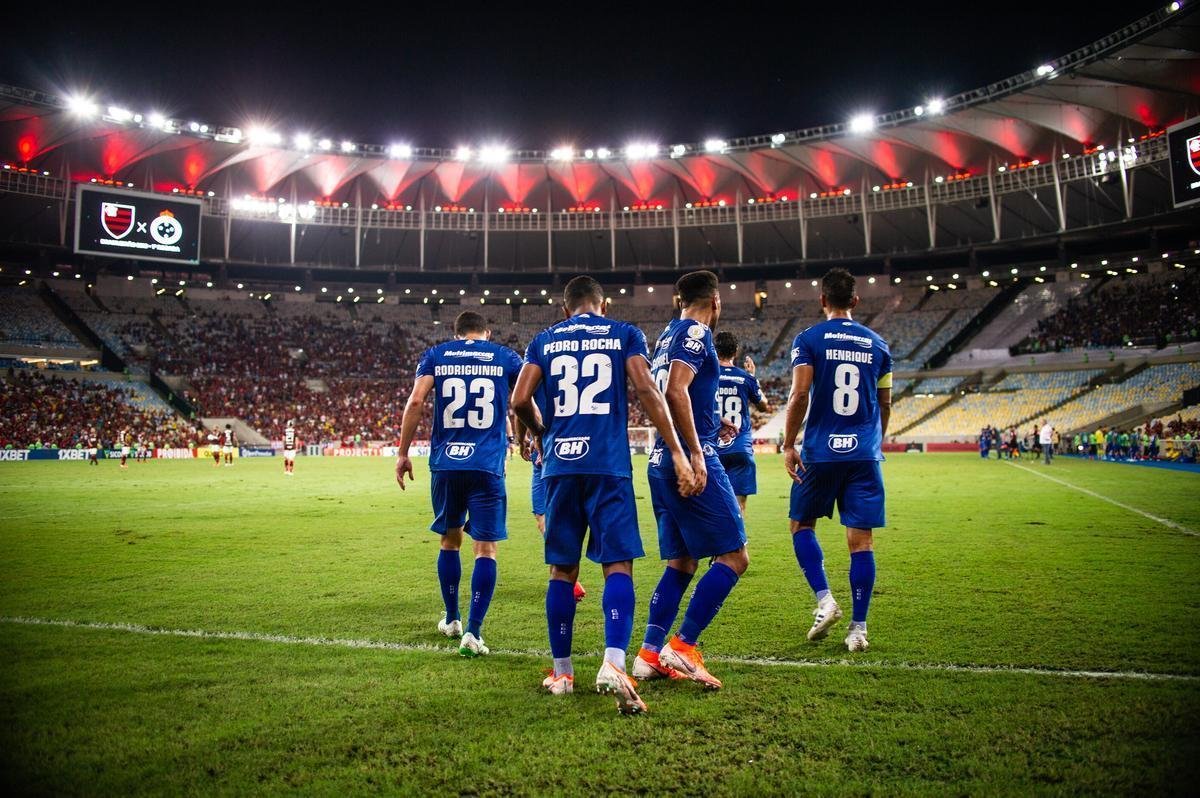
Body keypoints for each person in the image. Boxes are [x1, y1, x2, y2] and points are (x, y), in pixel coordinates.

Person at [512, 275, 694, 714]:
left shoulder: (544, 338)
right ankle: (613, 662)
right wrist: (677, 450)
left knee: (562, 572)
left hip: (560, 467)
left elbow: (519, 400)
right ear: (604, 304)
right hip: (608, 466)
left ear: (564, 308)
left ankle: (562, 673)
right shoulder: (624, 333)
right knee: (618, 567)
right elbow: (648, 390)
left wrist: (541, 433)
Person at [635, 269, 749, 690]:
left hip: (660, 462)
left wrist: (711, 418)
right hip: (688, 459)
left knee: (681, 562)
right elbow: (675, 391)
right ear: (715, 303)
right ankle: (683, 647)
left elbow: (676, 387)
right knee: (735, 557)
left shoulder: (667, 335)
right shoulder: (698, 333)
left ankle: (649, 654)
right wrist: (696, 452)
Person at [395, 311, 522, 658]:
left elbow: (417, 401)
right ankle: (473, 633)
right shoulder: (504, 356)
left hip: (447, 464)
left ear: (456, 332)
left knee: (449, 541)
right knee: (485, 549)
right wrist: (531, 436)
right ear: (487, 331)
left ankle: (451, 618)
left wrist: (403, 453)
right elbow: (525, 397)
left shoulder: (436, 355)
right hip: (486, 464)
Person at [783, 267, 892, 653]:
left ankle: (825, 600)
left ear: (822, 301)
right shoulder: (879, 345)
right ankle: (858, 629)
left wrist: (787, 444)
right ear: (856, 301)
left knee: (801, 524)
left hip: (821, 452)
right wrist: (874, 440)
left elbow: (799, 395)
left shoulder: (808, 339)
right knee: (862, 542)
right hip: (863, 452)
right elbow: (885, 402)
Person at [714, 330, 769, 515]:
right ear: (735, 352)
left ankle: (715, 543)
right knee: (738, 509)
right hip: (740, 449)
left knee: (712, 507)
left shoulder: (707, 376)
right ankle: (739, 543)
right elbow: (763, 406)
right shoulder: (745, 378)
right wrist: (754, 377)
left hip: (712, 450)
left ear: (715, 350)